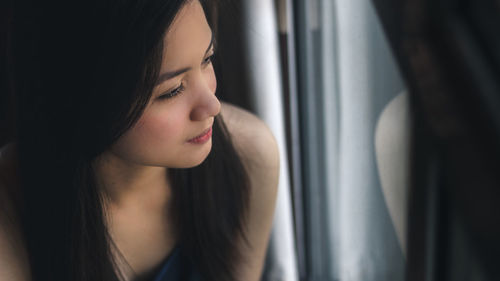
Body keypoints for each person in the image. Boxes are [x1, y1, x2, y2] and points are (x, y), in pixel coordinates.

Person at [0, 0, 279, 280]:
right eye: (171, 91)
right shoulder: (11, 212)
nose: (212, 106)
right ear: (83, 100)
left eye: (207, 59)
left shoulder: (248, 154)